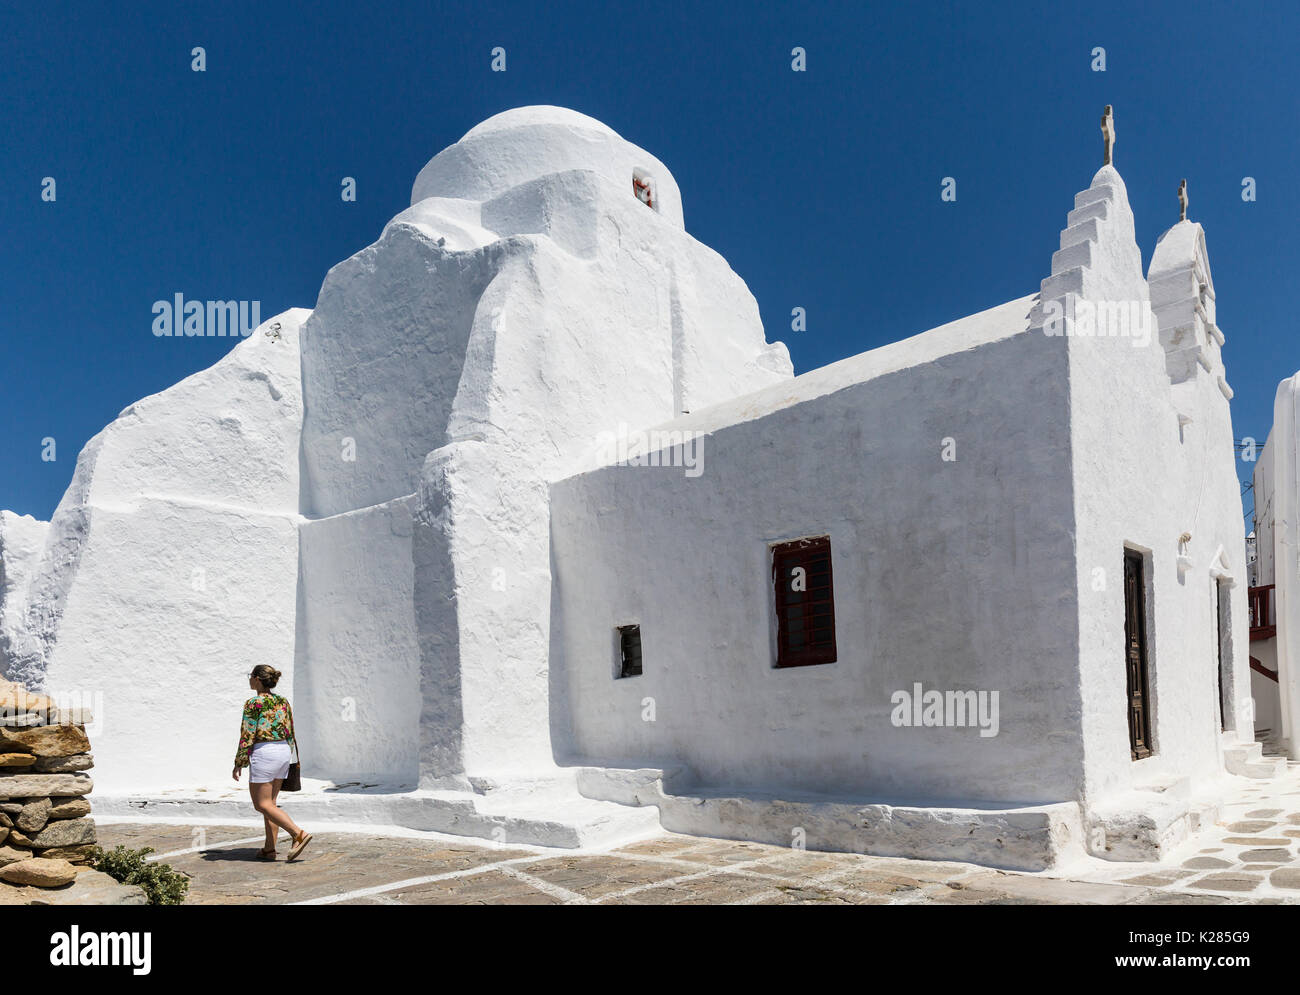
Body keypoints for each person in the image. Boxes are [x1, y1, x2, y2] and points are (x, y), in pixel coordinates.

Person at [232, 665, 312, 861]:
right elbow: (290, 729)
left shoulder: (253, 703)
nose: (250, 679)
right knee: (271, 804)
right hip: (283, 750)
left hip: (264, 752)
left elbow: (248, 733)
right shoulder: (282, 701)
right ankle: (269, 849)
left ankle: (298, 833)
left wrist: (239, 762)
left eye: (251, 676)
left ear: (258, 679)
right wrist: (289, 753)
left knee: (261, 804)